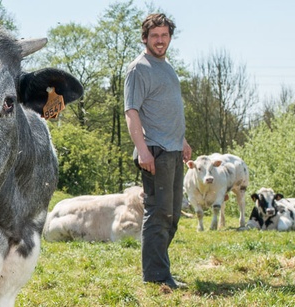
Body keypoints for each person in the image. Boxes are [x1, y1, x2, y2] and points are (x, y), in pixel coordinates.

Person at [123, 13, 192, 290]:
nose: (160, 40)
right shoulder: (139, 68)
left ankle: (161, 271)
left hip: (174, 149)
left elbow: (168, 109)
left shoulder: (166, 66)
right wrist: (143, 151)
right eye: (155, 36)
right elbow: (131, 112)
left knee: (173, 214)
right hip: (156, 151)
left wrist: (183, 140)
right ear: (145, 38)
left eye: (164, 36)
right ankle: (156, 276)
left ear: (170, 38)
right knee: (159, 213)